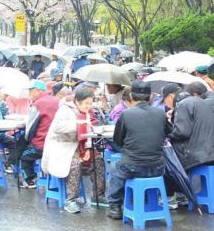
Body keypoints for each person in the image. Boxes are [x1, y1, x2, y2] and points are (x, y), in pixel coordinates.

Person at [106, 82, 172, 219]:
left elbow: (118, 140)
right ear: (150, 97)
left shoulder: (126, 115)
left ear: (131, 96)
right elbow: (169, 132)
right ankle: (150, 201)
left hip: (131, 167)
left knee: (114, 167)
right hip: (158, 167)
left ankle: (115, 207)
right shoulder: (160, 113)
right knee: (121, 166)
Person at [42, 88, 106, 213]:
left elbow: (86, 134)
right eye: (86, 103)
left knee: (98, 160)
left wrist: (87, 149)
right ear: (77, 101)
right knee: (74, 164)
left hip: (78, 149)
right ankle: (70, 200)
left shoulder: (85, 113)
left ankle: (98, 196)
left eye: (90, 103)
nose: (89, 106)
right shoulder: (64, 110)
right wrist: (78, 123)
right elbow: (57, 127)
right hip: (61, 149)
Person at [164, 81, 214, 208]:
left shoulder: (183, 104)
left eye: (164, 101)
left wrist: (168, 133)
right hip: (209, 152)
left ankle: (171, 198)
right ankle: (181, 195)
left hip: (198, 155)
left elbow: (182, 132)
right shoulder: (202, 102)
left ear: (170, 96)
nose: (165, 104)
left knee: (167, 160)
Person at [11, 80, 59, 187]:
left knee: (23, 155)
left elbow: (30, 128)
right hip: (57, 142)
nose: (29, 94)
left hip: (42, 144)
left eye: (30, 91)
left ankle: (30, 180)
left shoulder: (38, 104)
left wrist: (27, 140)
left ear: (38, 91)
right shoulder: (56, 100)